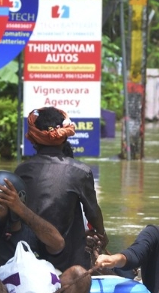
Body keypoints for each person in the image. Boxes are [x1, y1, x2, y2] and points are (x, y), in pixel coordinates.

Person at [14, 107, 108, 272]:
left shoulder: (21, 171)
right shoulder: (80, 171)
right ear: (65, 138)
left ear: (33, 140)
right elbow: (92, 212)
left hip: (27, 259)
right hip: (70, 264)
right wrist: (102, 235)